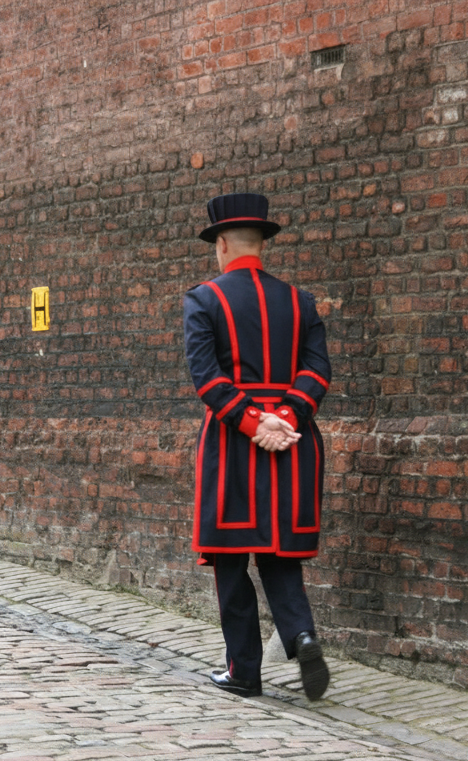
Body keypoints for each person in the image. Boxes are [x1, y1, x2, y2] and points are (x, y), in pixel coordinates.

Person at [182, 192, 332, 701]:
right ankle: (302, 635)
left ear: (221, 244)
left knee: (230, 558)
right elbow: (317, 372)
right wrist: (285, 418)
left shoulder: (203, 299)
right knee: (279, 555)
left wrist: (253, 423)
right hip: (293, 444)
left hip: (232, 446)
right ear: (261, 245)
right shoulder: (300, 301)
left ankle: (244, 671)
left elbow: (208, 379)